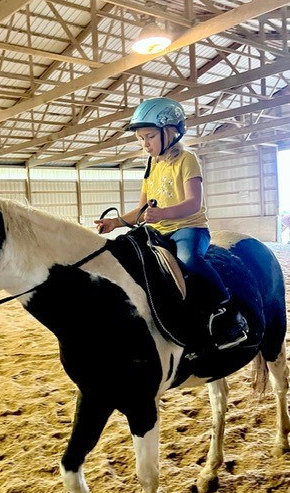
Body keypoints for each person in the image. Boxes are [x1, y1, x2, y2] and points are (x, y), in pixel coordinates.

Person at [94, 97, 248, 350]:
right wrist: (116, 222)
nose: (145, 144)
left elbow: (193, 204)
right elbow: (143, 210)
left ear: (171, 132)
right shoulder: (151, 165)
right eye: (141, 138)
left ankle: (229, 312)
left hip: (189, 228)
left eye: (150, 137)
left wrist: (163, 213)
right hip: (157, 231)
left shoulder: (187, 160)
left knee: (190, 260)